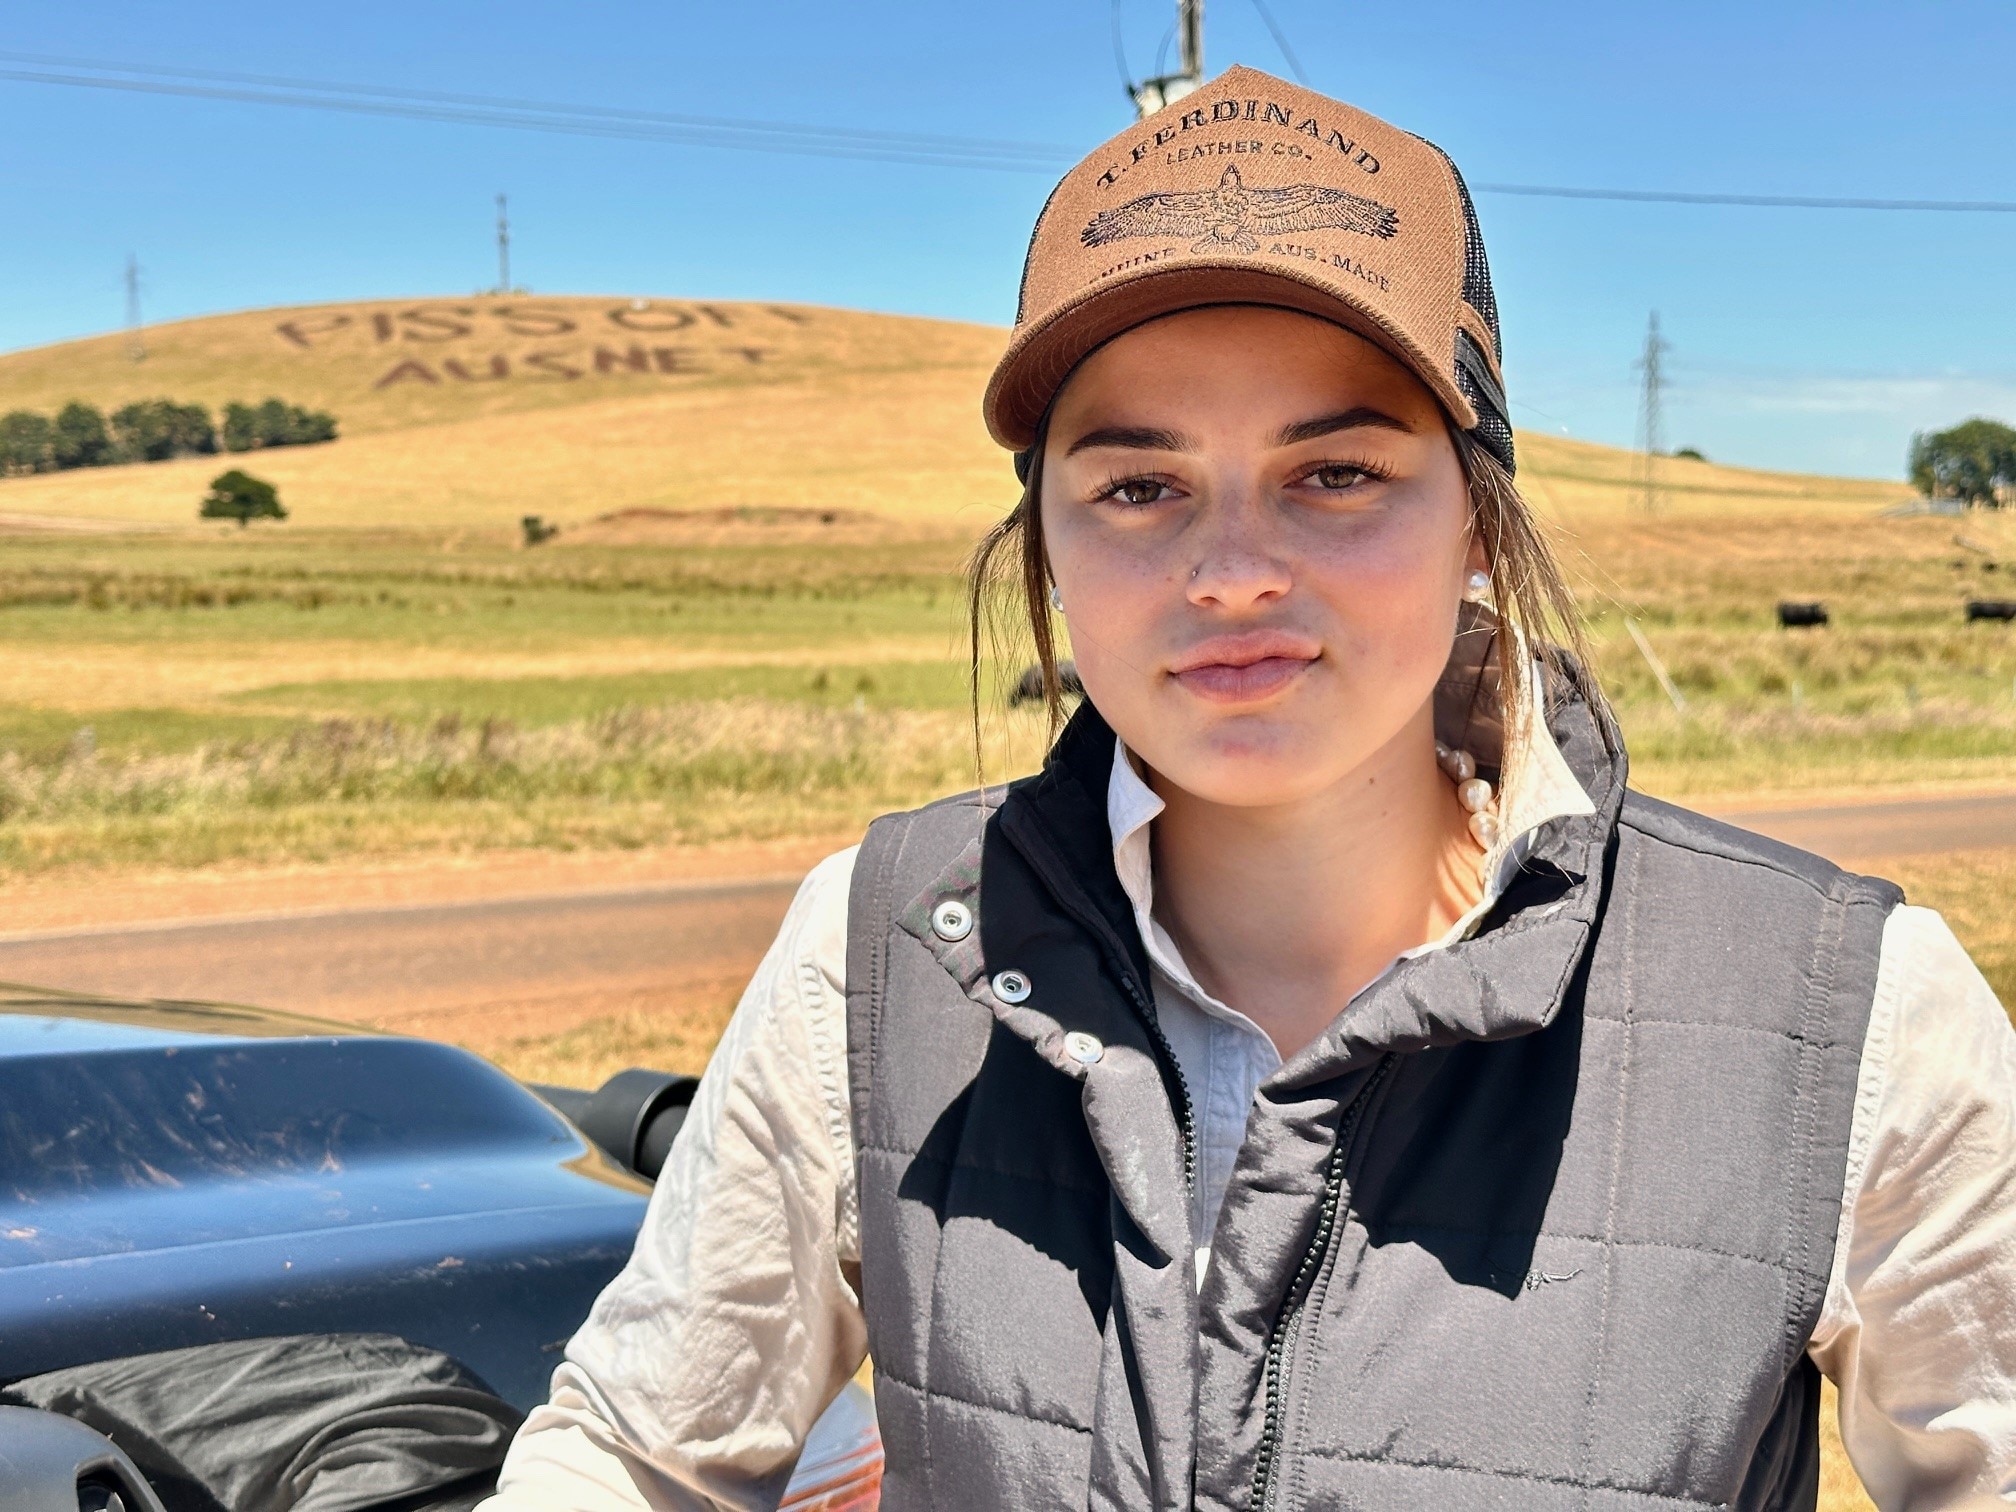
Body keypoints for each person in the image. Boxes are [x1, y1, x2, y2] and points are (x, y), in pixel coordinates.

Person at [485, 67, 2016, 1510]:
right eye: (1137, 485)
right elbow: (635, 1452)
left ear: (1477, 516)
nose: (1229, 575)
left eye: (1335, 473)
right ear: (1050, 545)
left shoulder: (1847, 1015)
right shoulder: (878, 949)